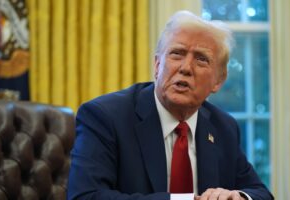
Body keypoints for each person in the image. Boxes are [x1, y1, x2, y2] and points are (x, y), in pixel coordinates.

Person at [67, 10, 273, 200]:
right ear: (157, 66)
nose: (185, 68)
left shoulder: (223, 127)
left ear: (218, 80)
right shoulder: (105, 117)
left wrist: (238, 197)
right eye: (177, 53)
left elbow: (261, 193)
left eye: (201, 59)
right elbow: (85, 196)